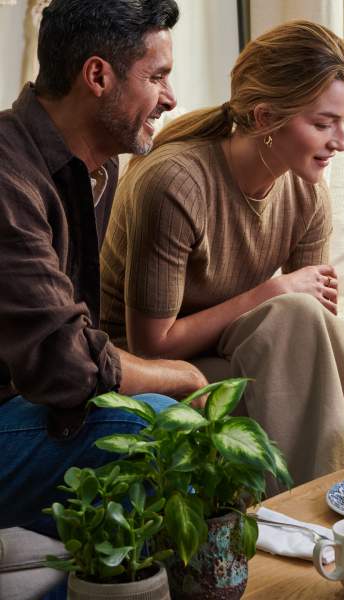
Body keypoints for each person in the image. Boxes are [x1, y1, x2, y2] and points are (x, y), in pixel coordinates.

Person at [100, 20, 344, 493]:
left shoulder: (308, 194)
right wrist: (273, 291)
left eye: (343, 122)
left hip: (221, 354)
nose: (340, 142)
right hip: (143, 369)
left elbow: (317, 330)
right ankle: (325, 512)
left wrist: (286, 301)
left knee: (341, 344)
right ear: (265, 117)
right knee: (292, 312)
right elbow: (150, 347)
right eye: (324, 123)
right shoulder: (177, 183)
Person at [0, 0, 208, 536]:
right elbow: (69, 366)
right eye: (157, 76)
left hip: (29, 407)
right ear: (98, 75)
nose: (171, 97)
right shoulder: (7, 178)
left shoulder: (96, 171)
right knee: (159, 425)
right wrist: (181, 376)